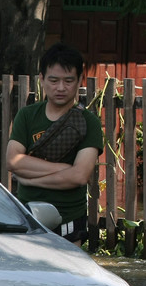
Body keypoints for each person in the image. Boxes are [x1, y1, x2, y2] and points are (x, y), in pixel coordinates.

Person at [6, 43, 103, 245]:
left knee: (67, 275)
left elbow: (79, 176)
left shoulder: (88, 122)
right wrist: (62, 169)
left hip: (68, 217)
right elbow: (14, 161)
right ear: (41, 79)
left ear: (79, 81)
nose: (60, 87)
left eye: (68, 81)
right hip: (28, 213)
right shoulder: (27, 115)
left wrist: (30, 179)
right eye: (53, 80)